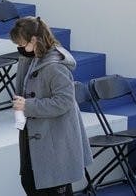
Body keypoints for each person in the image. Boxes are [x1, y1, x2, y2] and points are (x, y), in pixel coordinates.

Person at [10, 16, 92, 196]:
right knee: (30, 183)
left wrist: (28, 105)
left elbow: (64, 101)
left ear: (34, 40)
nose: (20, 49)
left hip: (54, 143)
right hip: (36, 139)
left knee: (50, 189)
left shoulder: (55, 66)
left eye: (22, 45)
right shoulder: (32, 59)